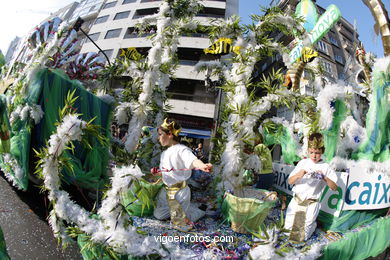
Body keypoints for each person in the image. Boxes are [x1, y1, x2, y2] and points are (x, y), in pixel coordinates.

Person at [153, 118, 213, 231]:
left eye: (161, 134)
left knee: (180, 224)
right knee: (158, 215)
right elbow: (167, 172)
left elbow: (193, 161)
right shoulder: (164, 153)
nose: (159, 137)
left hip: (179, 193)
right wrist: (157, 173)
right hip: (166, 192)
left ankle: (199, 211)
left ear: (170, 134)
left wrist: (202, 166)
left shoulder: (182, 150)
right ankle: (184, 211)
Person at [284, 133, 338, 242]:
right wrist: (298, 174)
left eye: (317, 153)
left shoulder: (325, 167)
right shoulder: (303, 163)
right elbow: (290, 181)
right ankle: (302, 223)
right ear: (308, 150)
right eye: (312, 152)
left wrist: (324, 177)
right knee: (287, 233)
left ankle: (313, 225)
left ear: (322, 152)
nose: (314, 156)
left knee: (302, 238)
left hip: (311, 203)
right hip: (297, 200)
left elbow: (334, 187)